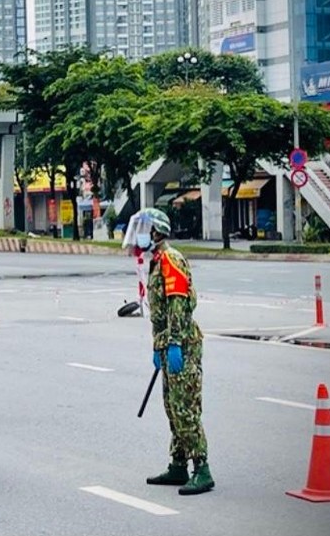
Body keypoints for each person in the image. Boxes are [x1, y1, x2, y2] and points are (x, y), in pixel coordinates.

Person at [124, 208, 214, 495]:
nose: (139, 236)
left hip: (183, 345)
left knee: (185, 408)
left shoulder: (170, 259)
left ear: (156, 232)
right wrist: (158, 345)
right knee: (172, 407)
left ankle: (202, 468)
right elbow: (158, 313)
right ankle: (178, 464)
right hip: (167, 345)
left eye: (144, 229)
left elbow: (176, 304)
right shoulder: (157, 260)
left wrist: (174, 342)